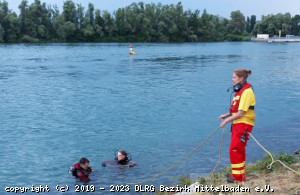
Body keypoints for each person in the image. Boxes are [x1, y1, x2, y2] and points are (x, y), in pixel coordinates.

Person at [218, 68, 255, 183]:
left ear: (241, 78)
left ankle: (238, 179)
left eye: (234, 77)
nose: (232, 79)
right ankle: (238, 175)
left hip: (243, 124)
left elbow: (241, 113)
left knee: (235, 149)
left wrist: (226, 121)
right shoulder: (240, 91)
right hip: (238, 123)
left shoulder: (247, 92)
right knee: (237, 149)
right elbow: (238, 109)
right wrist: (227, 114)